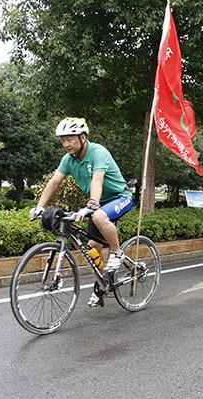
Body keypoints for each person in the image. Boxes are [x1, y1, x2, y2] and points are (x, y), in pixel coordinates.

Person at [30, 117, 133, 307]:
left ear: (83, 137)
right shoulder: (68, 160)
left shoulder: (97, 152)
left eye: (70, 139)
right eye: (63, 140)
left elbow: (97, 180)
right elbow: (54, 182)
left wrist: (92, 204)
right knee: (92, 248)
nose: (66, 144)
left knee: (99, 215)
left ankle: (117, 253)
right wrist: (40, 206)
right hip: (98, 203)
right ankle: (102, 284)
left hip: (119, 198)